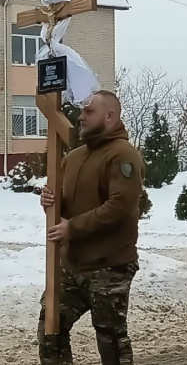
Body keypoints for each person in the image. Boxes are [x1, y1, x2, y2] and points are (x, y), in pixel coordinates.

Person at [37, 90, 145, 365]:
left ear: (110, 116)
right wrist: (51, 202)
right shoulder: (73, 158)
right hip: (71, 265)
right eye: (82, 111)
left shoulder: (123, 155)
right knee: (50, 329)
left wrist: (72, 228)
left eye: (89, 111)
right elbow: (69, 204)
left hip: (109, 266)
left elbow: (120, 206)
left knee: (110, 341)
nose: (81, 117)